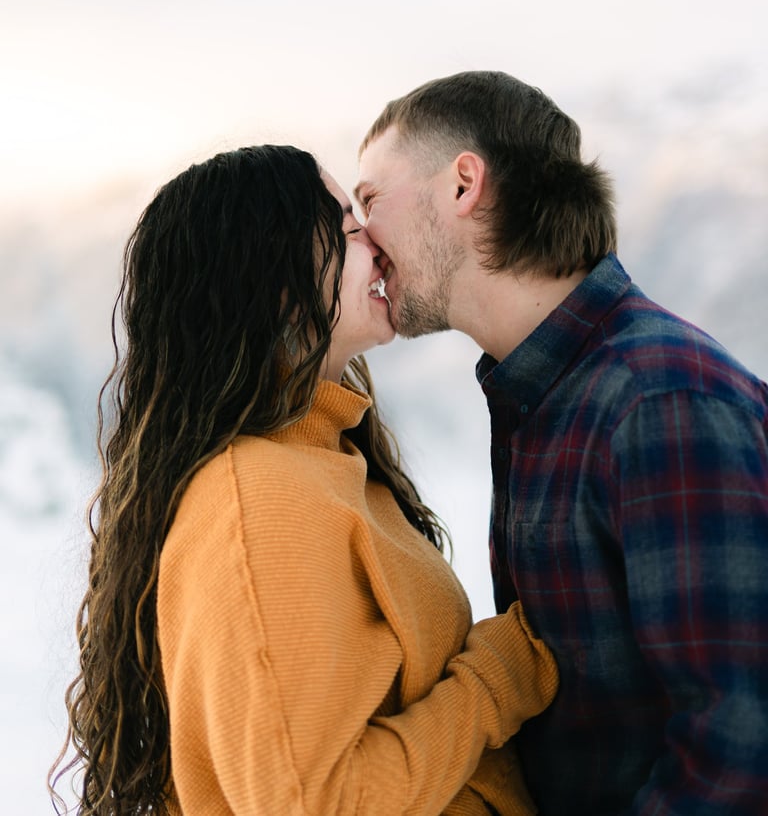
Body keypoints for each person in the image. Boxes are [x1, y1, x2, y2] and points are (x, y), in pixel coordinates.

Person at [49, 144, 558, 816]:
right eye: (347, 227)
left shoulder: (325, 460)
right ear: (277, 285)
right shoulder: (257, 499)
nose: (376, 244)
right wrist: (496, 680)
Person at [356, 71, 768, 816]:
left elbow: (740, 743)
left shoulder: (659, 400)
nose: (364, 241)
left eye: (370, 201)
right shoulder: (541, 396)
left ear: (462, 185)